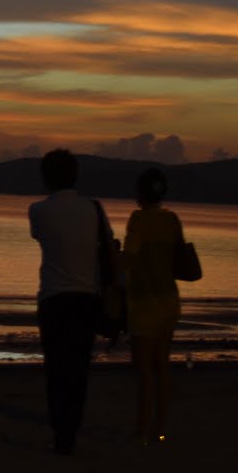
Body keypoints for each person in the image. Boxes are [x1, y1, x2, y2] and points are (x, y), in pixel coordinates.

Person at [28, 149, 117, 455]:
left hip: (53, 299)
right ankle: (71, 431)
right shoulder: (94, 208)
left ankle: (60, 432)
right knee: (78, 371)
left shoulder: (38, 210)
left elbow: (41, 237)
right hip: (86, 299)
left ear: (46, 178)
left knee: (56, 370)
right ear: (75, 176)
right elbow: (108, 246)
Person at [124, 168, 185, 445]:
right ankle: (159, 429)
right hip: (169, 300)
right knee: (162, 366)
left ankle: (142, 431)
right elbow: (177, 254)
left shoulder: (138, 220)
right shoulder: (171, 219)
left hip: (145, 302)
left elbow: (130, 256)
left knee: (144, 371)